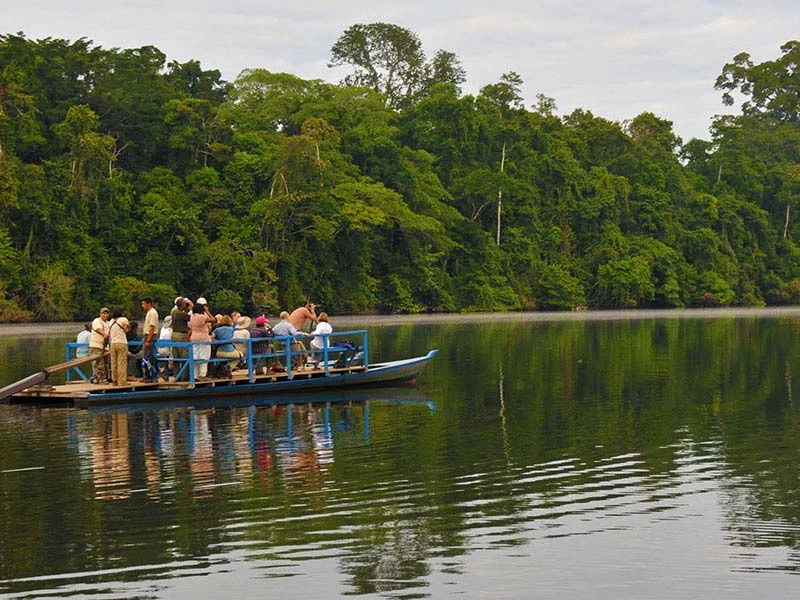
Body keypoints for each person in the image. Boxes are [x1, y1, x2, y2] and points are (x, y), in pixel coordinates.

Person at [189, 299, 216, 380]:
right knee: (204, 356)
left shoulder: (192, 317)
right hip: (203, 338)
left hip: (194, 337)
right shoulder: (202, 317)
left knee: (195, 356)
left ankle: (195, 375)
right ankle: (203, 375)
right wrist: (207, 311)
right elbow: (214, 319)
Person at [108, 308, 131, 386]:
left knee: (113, 363)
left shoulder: (111, 322)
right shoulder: (123, 319)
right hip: (121, 342)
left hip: (113, 343)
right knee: (121, 363)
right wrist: (126, 329)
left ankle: (114, 380)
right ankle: (122, 381)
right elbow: (128, 325)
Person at [170, 298, 191, 381]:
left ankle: (176, 375)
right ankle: (185, 376)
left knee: (176, 356)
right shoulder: (180, 314)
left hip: (174, 334)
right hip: (181, 335)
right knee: (184, 356)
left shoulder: (174, 312)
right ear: (182, 305)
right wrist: (190, 307)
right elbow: (191, 318)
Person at [89, 307, 111, 384]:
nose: (105, 315)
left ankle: (99, 378)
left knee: (106, 363)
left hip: (105, 346)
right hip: (96, 345)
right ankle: (101, 379)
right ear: (100, 314)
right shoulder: (97, 321)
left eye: (106, 313)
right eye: (103, 313)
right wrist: (105, 334)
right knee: (98, 363)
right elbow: (98, 329)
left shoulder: (108, 323)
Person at [140, 297, 159, 382]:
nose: (142, 306)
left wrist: (148, 340)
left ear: (149, 304)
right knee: (145, 357)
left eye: (144, 304)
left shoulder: (152, 313)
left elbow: (152, 327)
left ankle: (152, 376)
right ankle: (146, 376)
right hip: (147, 336)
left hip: (150, 337)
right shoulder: (149, 313)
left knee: (150, 357)